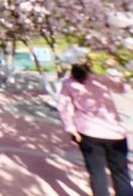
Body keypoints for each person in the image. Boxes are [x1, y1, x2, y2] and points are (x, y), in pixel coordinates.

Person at [57, 47, 132, 196]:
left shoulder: (67, 83)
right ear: (88, 63)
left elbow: (64, 107)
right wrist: (118, 69)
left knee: (97, 174)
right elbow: (123, 88)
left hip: (88, 134)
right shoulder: (100, 79)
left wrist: (71, 129)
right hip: (114, 133)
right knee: (121, 173)